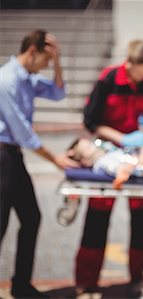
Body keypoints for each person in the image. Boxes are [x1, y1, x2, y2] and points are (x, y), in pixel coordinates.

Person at [76, 39, 143, 295]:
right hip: (107, 152)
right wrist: (121, 138)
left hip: (140, 155)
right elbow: (91, 121)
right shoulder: (109, 79)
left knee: (142, 218)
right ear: (129, 64)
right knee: (97, 217)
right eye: (139, 71)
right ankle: (86, 281)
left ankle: (139, 279)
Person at [0, 29, 79, 298]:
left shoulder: (29, 79)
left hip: (12, 155)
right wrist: (55, 159)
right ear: (32, 51)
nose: (47, 66)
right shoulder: (6, 79)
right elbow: (22, 131)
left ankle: (21, 286)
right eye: (46, 60)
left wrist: (57, 61)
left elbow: (58, 93)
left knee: (31, 217)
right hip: (2, 154)